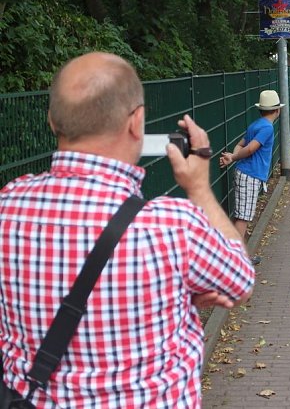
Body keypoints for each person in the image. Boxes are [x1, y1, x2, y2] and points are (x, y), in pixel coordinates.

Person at [0, 52, 254, 408]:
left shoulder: (8, 206)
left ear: (52, 121)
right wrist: (199, 189)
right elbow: (239, 281)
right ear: (136, 122)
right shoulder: (170, 226)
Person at [219, 90, 283, 239]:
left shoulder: (256, 124)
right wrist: (234, 157)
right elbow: (249, 148)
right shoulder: (267, 128)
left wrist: (233, 157)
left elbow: (240, 145)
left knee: (241, 215)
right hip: (251, 175)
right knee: (243, 218)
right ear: (277, 110)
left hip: (245, 173)